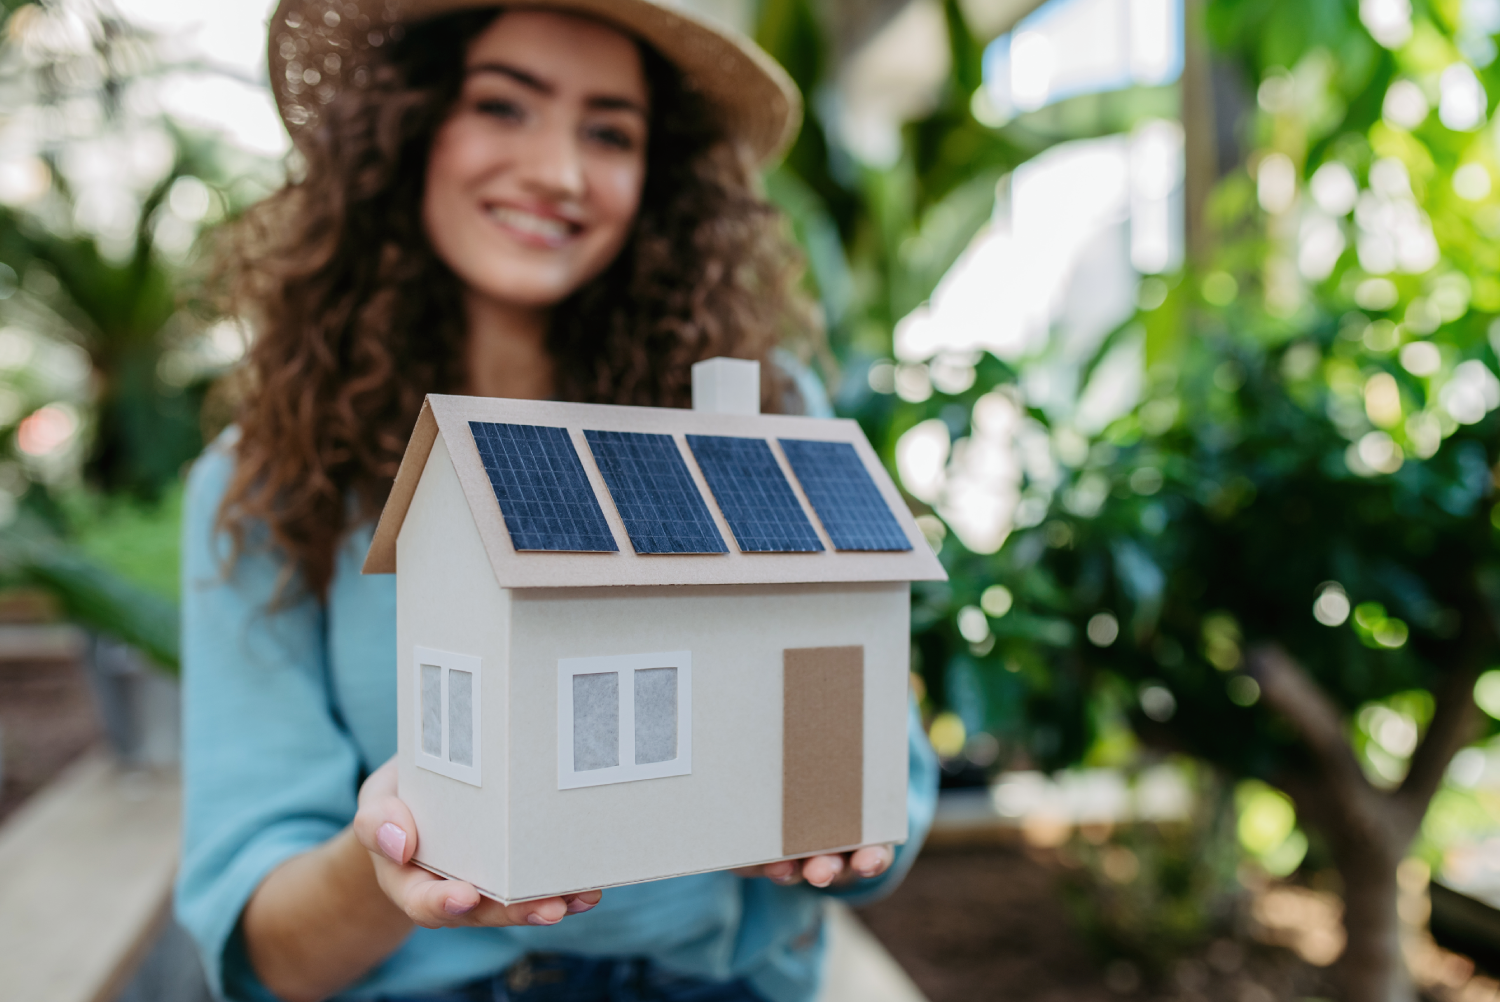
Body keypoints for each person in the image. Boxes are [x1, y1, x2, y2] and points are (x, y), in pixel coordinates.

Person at [175, 2, 938, 1001]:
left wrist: (837, 816)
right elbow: (268, 953)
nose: (560, 172)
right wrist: (396, 863)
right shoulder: (267, 481)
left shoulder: (757, 421)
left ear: (655, 175)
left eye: (610, 131)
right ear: (407, 128)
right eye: (503, 106)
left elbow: (894, 779)